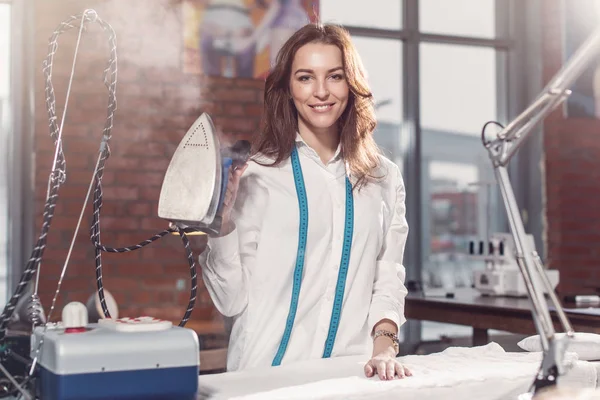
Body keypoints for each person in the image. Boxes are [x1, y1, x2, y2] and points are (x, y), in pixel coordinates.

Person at [199, 23, 411, 381]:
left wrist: (385, 347)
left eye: (335, 76)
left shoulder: (384, 178)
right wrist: (222, 225)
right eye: (305, 78)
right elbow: (231, 300)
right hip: (264, 376)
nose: (321, 92)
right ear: (288, 88)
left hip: (348, 376)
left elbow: (388, 277)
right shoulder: (255, 174)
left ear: (351, 83)